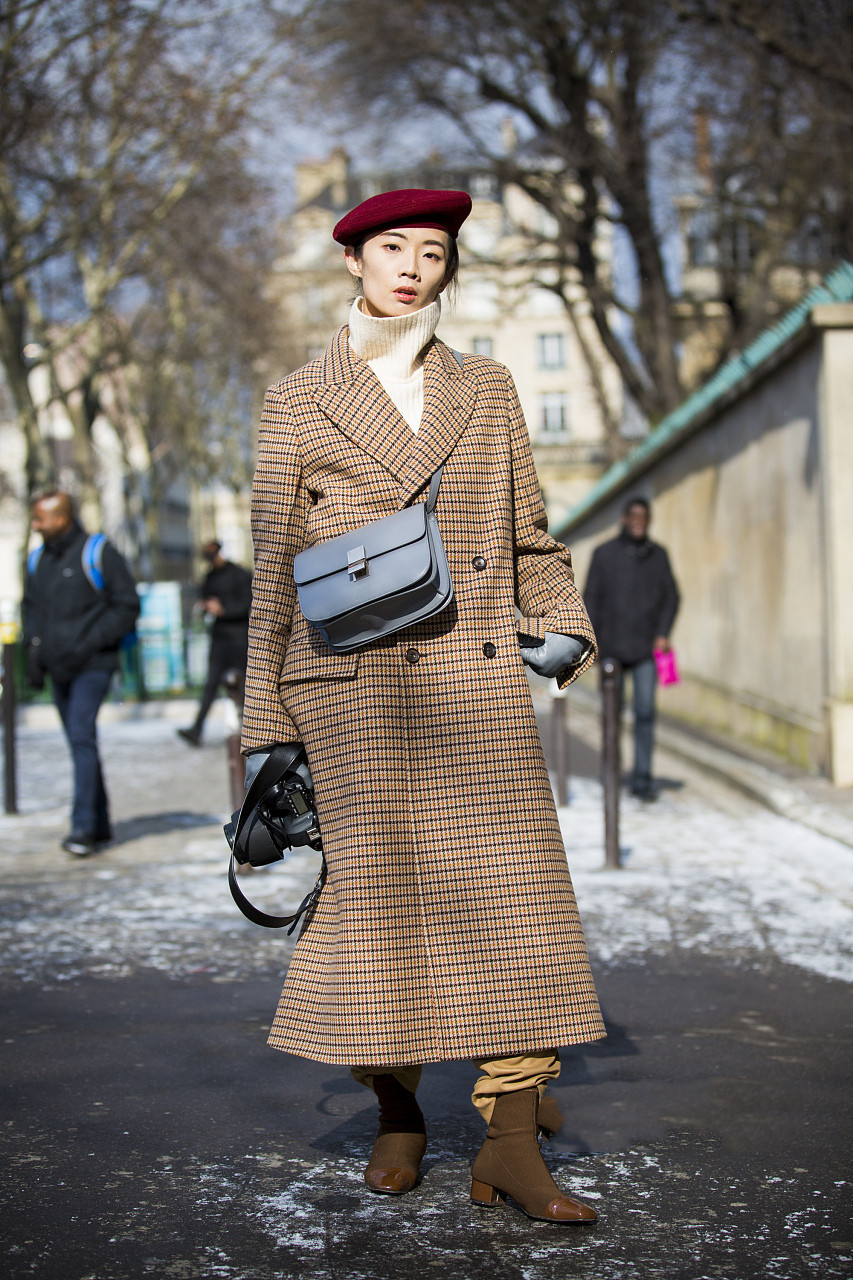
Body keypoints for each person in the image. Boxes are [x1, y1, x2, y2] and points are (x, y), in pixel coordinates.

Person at [240, 188, 605, 1223]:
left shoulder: (485, 388)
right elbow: (275, 566)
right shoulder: (296, 397)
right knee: (372, 923)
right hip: (349, 697)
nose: (411, 266)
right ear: (353, 259)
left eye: (432, 251)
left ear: (448, 269)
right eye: (392, 247)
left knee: (512, 908)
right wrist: (267, 726)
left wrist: (564, 618)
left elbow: (528, 532)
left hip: (472, 681)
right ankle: (397, 1103)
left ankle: (509, 1143)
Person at [23, 490, 140, 856]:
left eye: (40, 518)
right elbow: (31, 610)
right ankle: (100, 825)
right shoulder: (37, 559)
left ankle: (83, 828)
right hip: (59, 667)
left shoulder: (98, 552)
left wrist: (90, 642)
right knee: (80, 741)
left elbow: (127, 605)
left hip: (93, 664)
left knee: (80, 736)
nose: (35, 524)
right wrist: (34, 658)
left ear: (61, 518)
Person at [583, 496, 680, 800]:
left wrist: (663, 633)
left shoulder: (658, 555)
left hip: (646, 651)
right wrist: (594, 643)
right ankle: (611, 771)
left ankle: (642, 778)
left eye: (644, 517)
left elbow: (672, 597)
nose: (639, 521)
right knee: (611, 714)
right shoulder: (604, 554)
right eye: (634, 516)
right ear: (624, 519)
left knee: (645, 713)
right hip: (611, 648)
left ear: (648, 521)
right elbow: (591, 600)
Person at [177, 540, 253, 746]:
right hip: (219, 638)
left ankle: (253, 730)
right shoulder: (209, 577)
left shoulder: (239, 574)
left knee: (246, 686)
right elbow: (204, 603)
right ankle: (197, 728)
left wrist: (224, 610)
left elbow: (248, 603)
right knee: (210, 684)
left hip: (239, 637)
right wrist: (205, 608)